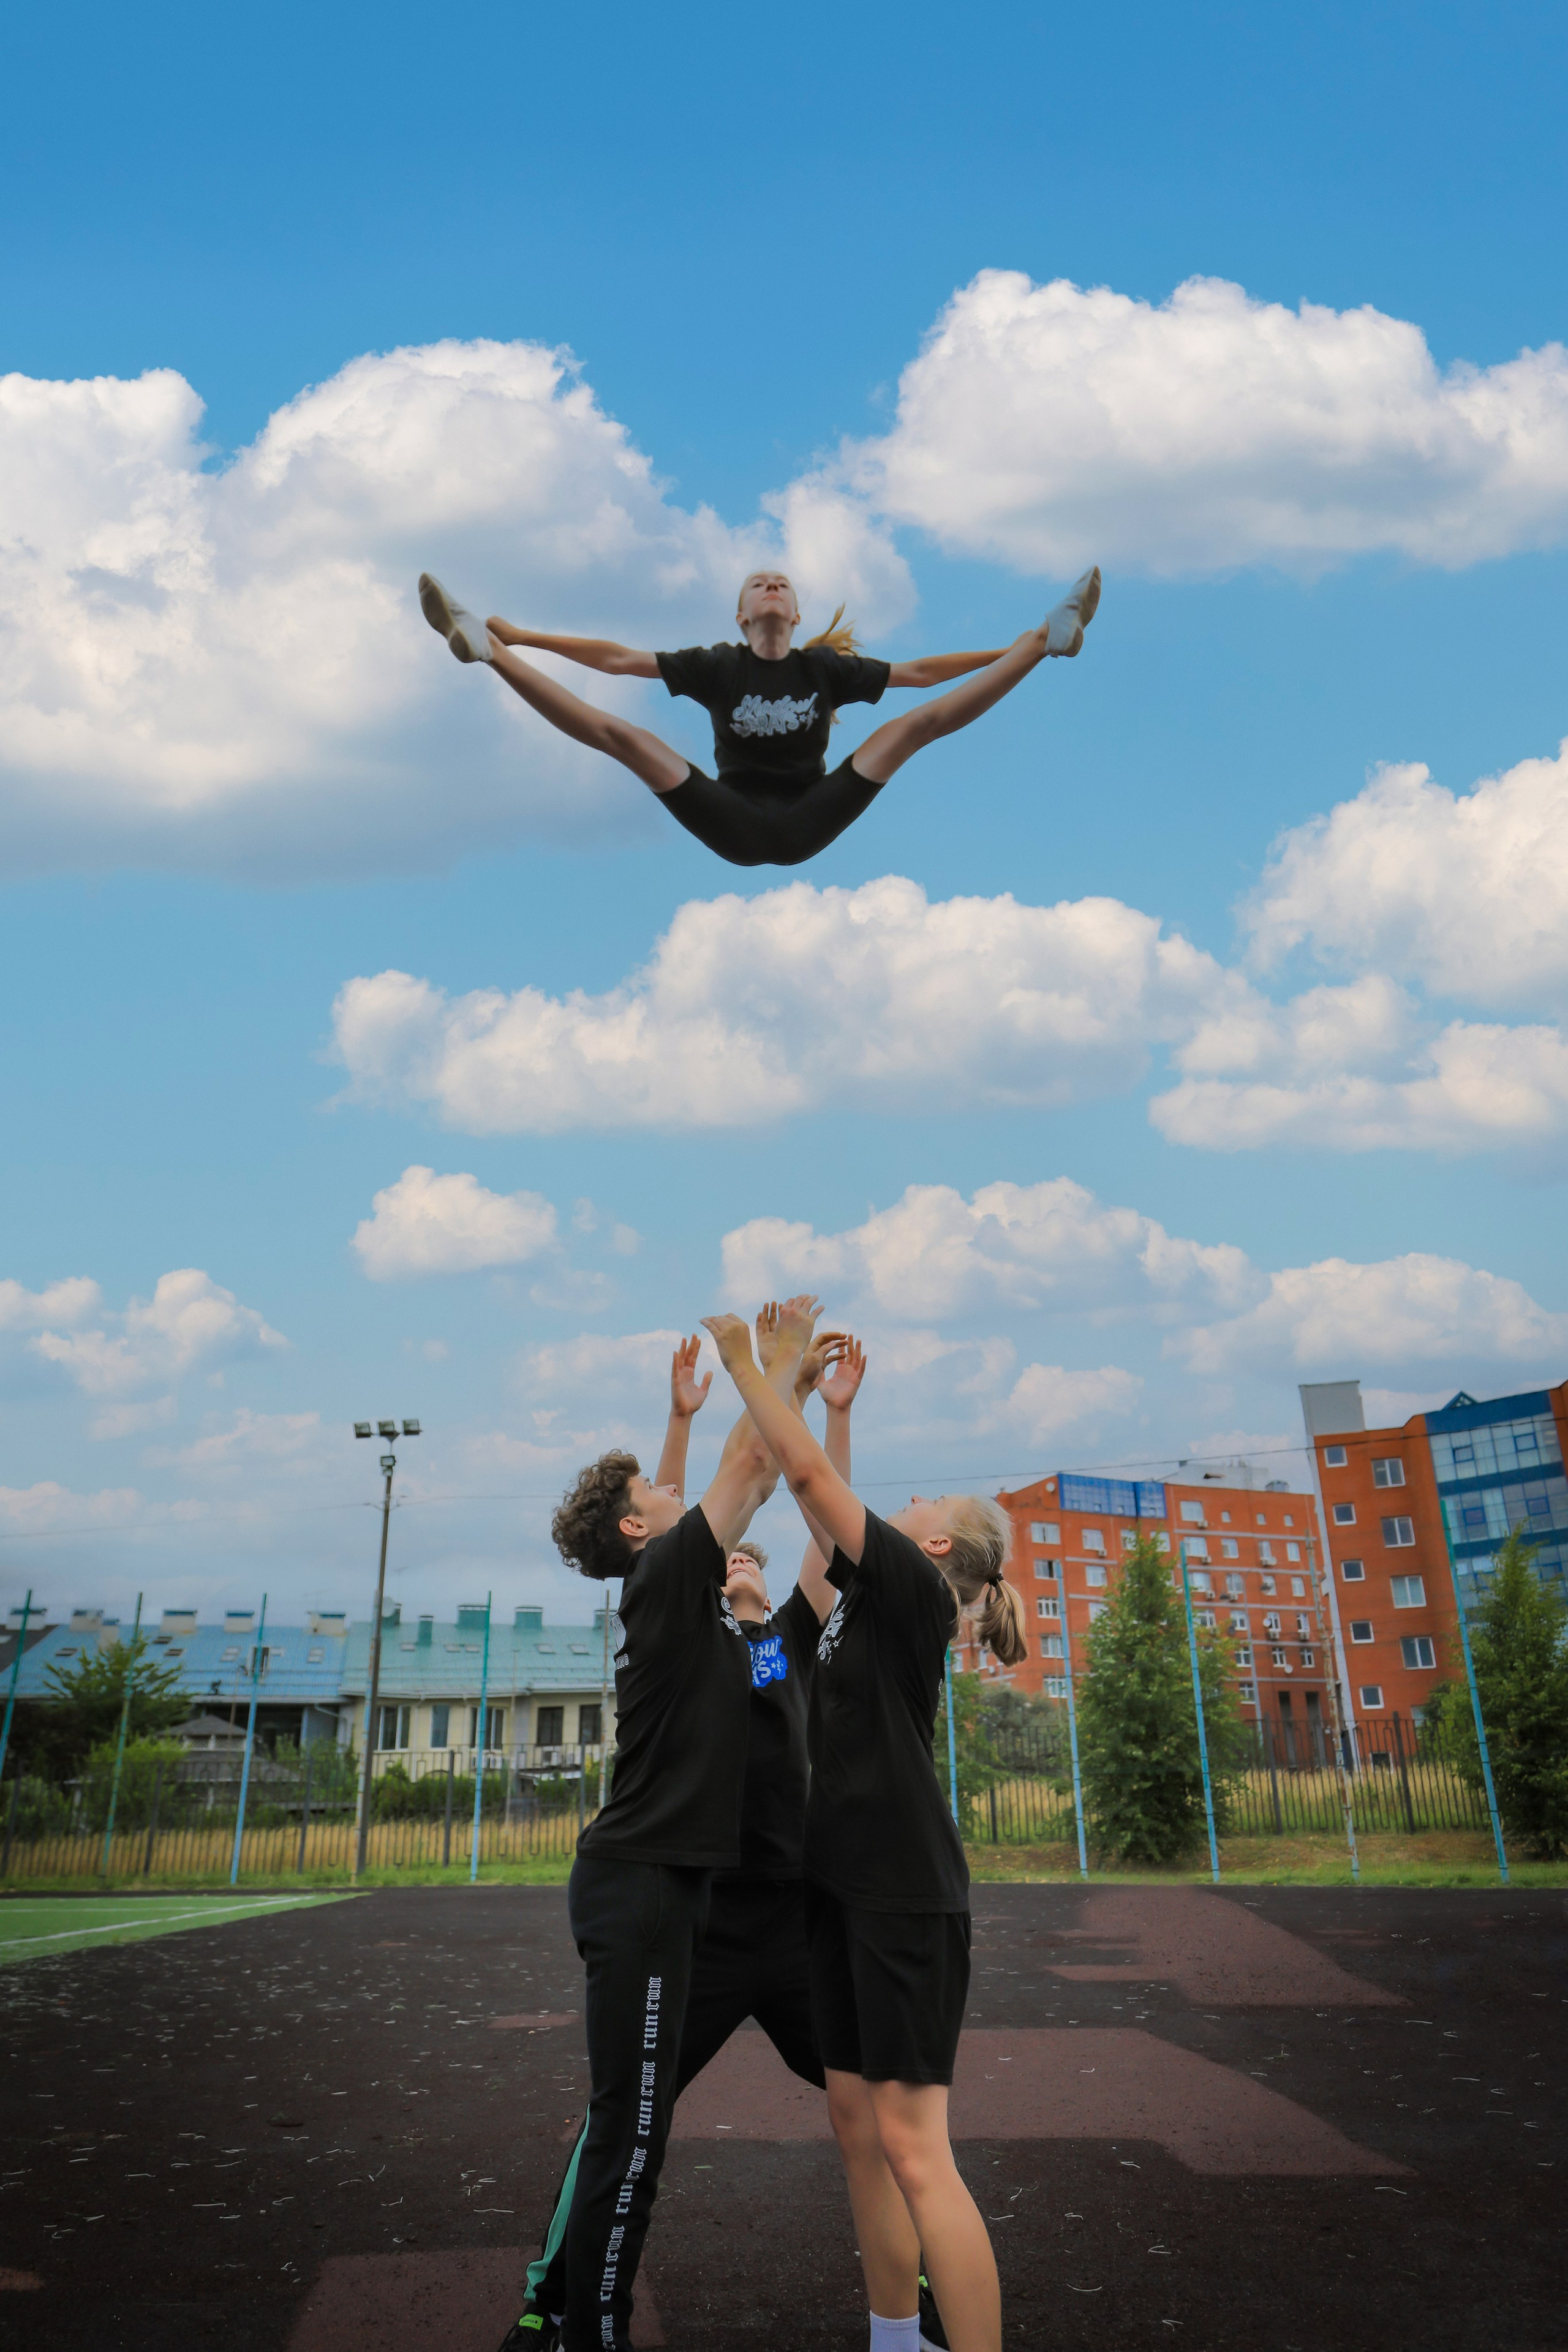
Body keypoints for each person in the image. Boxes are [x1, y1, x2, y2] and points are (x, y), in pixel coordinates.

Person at [511, 1323, 866, 2351]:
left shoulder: (746, 1632)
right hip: (673, 1901)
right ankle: (570, 2310)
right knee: (629, 2123)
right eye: (660, 1501)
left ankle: (918, 2282)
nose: (679, 1497)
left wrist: (755, 1608)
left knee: (872, 2099)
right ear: (646, 1537)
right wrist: (785, 1369)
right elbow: (736, 1478)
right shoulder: (668, 1592)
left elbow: (779, 1690)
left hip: (766, 1907)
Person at [700, 1302, 1029, 2352]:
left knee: (915, 2147)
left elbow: (812, 1491)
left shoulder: (918, 1600)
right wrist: (835, 1411)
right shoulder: (859, 1609)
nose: (901, 1501)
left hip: (900, 1893)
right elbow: (818, 1543)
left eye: (918, 1503)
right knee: (857, 2132)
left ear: (931, 1544)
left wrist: (764, 1370)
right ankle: (897, 2342)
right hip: (831, 1891)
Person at [417, 564, 1101, 867]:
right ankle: (485, 651)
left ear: (796, 615)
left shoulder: (822, 669)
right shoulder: (717, 663)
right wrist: (524, 638)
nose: (771, 586)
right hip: (733, 819)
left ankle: (1049, 639)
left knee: (909, 728)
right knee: (624, 737)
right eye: (757, 584)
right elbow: (618, 661)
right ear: (742, 615)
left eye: (782, 584)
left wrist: (1019, 644)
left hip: (810, 815)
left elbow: (921, 675)